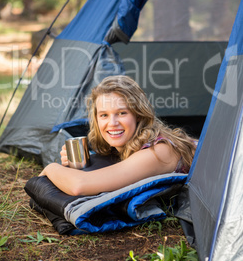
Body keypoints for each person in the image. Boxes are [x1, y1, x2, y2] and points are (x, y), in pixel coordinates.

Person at [39, 75, 196, 196]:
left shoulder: (158, 152)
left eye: (122, 113)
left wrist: (51, 168)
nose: (112, 123)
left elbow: (79, 186)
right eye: (104, 115)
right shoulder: (127, 144)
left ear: (138, 115)